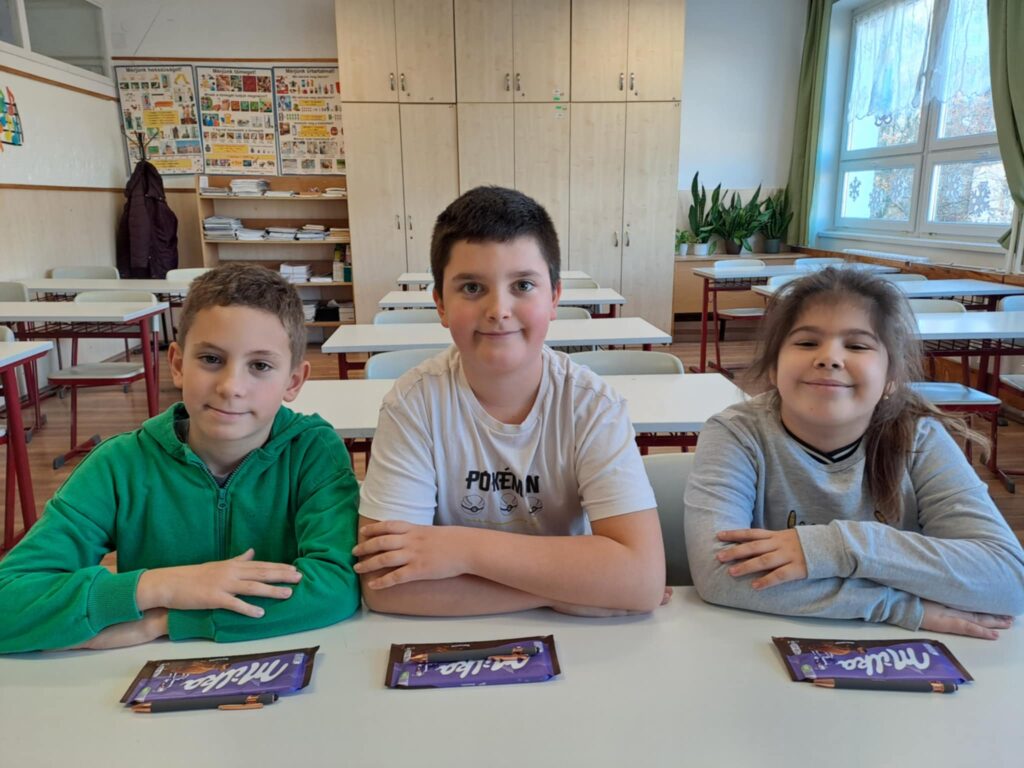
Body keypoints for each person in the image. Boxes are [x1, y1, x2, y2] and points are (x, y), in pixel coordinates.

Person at [0, 264, 360, 653]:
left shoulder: (312, 453)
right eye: (211, 359)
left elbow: (336, 585)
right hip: (143, 676)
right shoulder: (119, 465)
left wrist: (168, 620)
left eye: (260, 366)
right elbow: (9, 599)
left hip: (279, 657)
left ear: (293, 381)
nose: (231, 387)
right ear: (176, 364)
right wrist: (161, 586)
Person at [354, 186, 666, 616]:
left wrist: (462, 550)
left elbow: (641, 580)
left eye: (523, 285)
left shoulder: (593, 406)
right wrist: (565, 592)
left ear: (554, 298)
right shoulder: (414, 404)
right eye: (472, 287)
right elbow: (385, 585)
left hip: (572, 642)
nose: (498, 309)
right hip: (452, 637)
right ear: (440, 304)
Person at [685, 267, 1024, 638]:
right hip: (761, 642)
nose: (829, 358)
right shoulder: (736, 434)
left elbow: (1009, 580)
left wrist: (841, 547)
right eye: (806, 342)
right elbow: (719, 575)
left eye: (858, 346)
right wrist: (898, 605)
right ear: (773, 367)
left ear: (891, 378)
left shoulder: (919, 438)